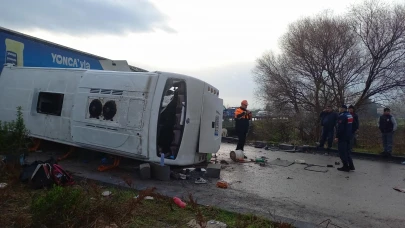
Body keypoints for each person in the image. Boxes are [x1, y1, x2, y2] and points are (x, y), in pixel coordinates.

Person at [335, 105, 355, 172]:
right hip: (349, 136)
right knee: (347, 151)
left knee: (342, 152)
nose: (339, 109)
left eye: (339, 108)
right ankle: (351, 166)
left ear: (342, 109)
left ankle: (345, 166)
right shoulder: (349, 115)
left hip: (343, 136)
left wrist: (337, 136)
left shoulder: (342, 116)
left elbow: (340, 128)